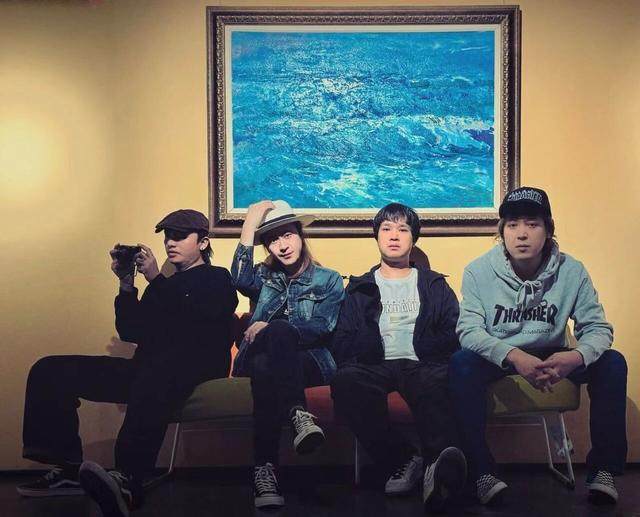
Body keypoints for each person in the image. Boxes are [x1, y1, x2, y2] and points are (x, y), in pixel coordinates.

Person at [18, 209, 238, 517]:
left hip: (194, 369)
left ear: (203, 242)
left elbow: (198, 321)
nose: (170, 243)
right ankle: (67, 468)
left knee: (158, 368)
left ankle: (128, 478)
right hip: (148, 370)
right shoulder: (163, 285)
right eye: (167, 237)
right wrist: (126, 283)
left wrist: (155, 278)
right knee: (50, 369)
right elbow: (131, 330)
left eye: (179, 236)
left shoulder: (217, 279)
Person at [450, 186, 627, 505]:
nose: (522, 234)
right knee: (461, 363)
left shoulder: (572, 271)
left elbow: (598, 328)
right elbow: (469, 331)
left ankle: (603, 470)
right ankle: (481, 473)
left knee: (612, 363)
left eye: (532, 224)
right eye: (512, 225)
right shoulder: (478, 271)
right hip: (504, 354)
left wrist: (575, 357)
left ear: (548, 230)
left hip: (553, 353)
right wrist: (514, 356)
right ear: (502, 232)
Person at [330, 203, 467, 513]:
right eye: (387, 229)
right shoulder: (359, 288)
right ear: (376, 237)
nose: (394, 236)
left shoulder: (434, 284)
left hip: (422, 363)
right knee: (345, 382)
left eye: (403, 229)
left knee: (439, 382)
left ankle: (437, 468)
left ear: (413, 239)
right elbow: (342, 340)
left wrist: (429, 348)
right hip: (374, 365)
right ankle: (403, 458)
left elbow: (454, 331)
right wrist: (367, 347)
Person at [231, 199, 344, 509]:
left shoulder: (328, 279)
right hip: (262, 358)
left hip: (311, 360)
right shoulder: (263, 277)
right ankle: (298, 415)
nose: (282, 246)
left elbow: (323, 326)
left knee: (269, 354)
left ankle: (264, 470)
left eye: (287, 235)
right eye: (272, 240)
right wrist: (249, 225)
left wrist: (271, 328)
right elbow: (238, 279)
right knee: (265, 362)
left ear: (300, 235)